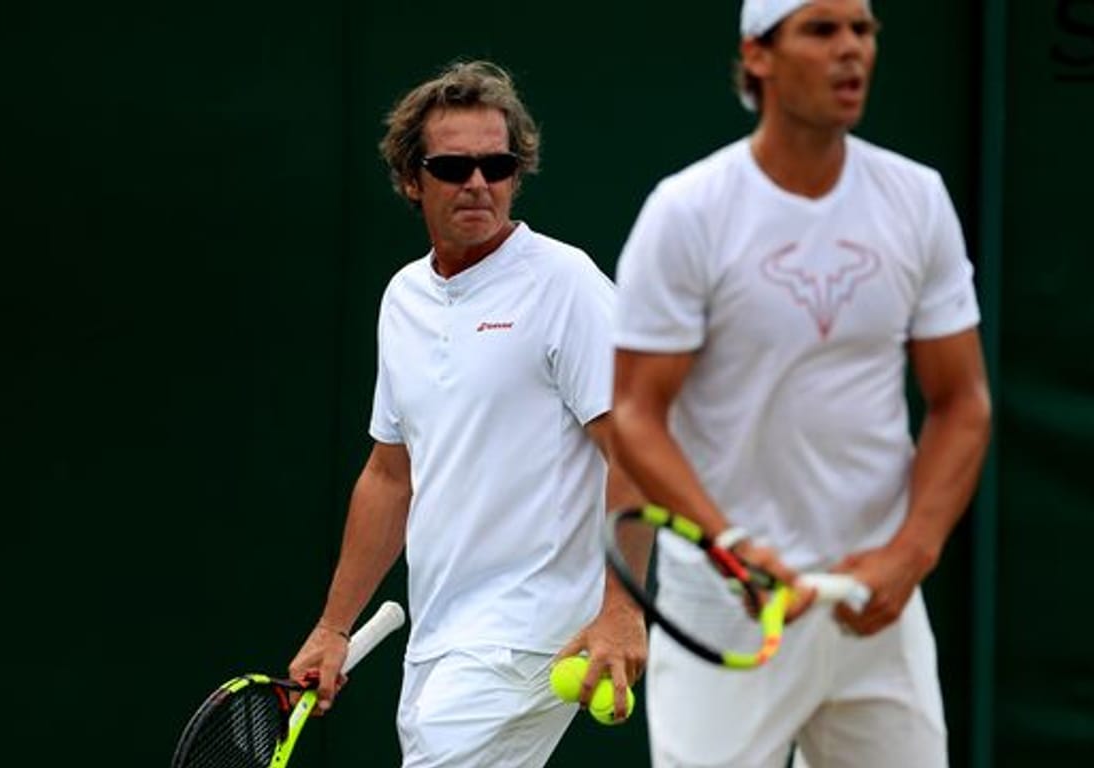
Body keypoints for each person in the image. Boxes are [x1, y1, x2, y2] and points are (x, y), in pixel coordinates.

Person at [609, 1, 992, 766]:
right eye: (822, 31)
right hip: (727, 600)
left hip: (871, 607)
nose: (851, 50)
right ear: (759, 56)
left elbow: (963, 404)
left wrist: (910, 553)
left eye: (864, 30)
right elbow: (636, 416)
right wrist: (733, 545)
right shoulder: (687, 212)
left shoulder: (916, 199)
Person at [286, 60, 648, 768]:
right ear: (411, 179)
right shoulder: (402, 298)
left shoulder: (565, 284)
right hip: (441, 634)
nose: (479, 182)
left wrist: (622, 608)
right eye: (454, 166)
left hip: (530, 631)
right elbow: (391, 476)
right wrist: (333, 627)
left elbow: (634, 448)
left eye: (498, 163)